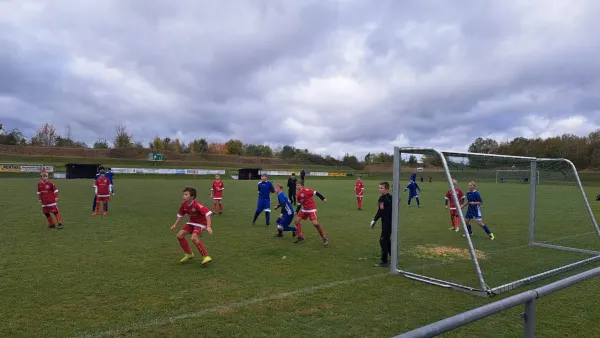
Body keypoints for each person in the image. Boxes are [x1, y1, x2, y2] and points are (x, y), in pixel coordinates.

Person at [170, 187, 213, 265]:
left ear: (192, 196)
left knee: (193, 238)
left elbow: (208, 214)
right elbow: (180, 215)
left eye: (186, 195)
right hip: (191, 222)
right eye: (184, 194)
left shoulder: (197, 205)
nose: (184, 196)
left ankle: (206, 256)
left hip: (200, 224)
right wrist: (175, 225)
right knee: (179, 235)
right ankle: (189, 254)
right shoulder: (184, 204)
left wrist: (208, 226)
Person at [294, 181, 328, 245]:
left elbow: (316, 193)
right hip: (305, 209)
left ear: (302, 186)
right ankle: (300, 236)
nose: (297, 186)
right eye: (296, 185)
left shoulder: (306, 190)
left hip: (311, 209)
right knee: (296, 221)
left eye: (298, 185)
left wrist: (323, 198)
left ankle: (324, 237)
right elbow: (299, 204)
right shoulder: (298, 194)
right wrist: (296, 211)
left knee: (315, 224)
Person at [370, 182, 392, 267]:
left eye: (381, 188)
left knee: (383, 241)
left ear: (386, 189)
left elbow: (380, 212)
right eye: (379, 188)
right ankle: (393, 258)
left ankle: (384, 261)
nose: (380, 189)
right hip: (387, 222)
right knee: (387, 240)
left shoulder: (385, 199)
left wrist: (374, 219)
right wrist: (374, 219)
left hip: (388, 223)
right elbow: (380, 211)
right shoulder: (386, 198)